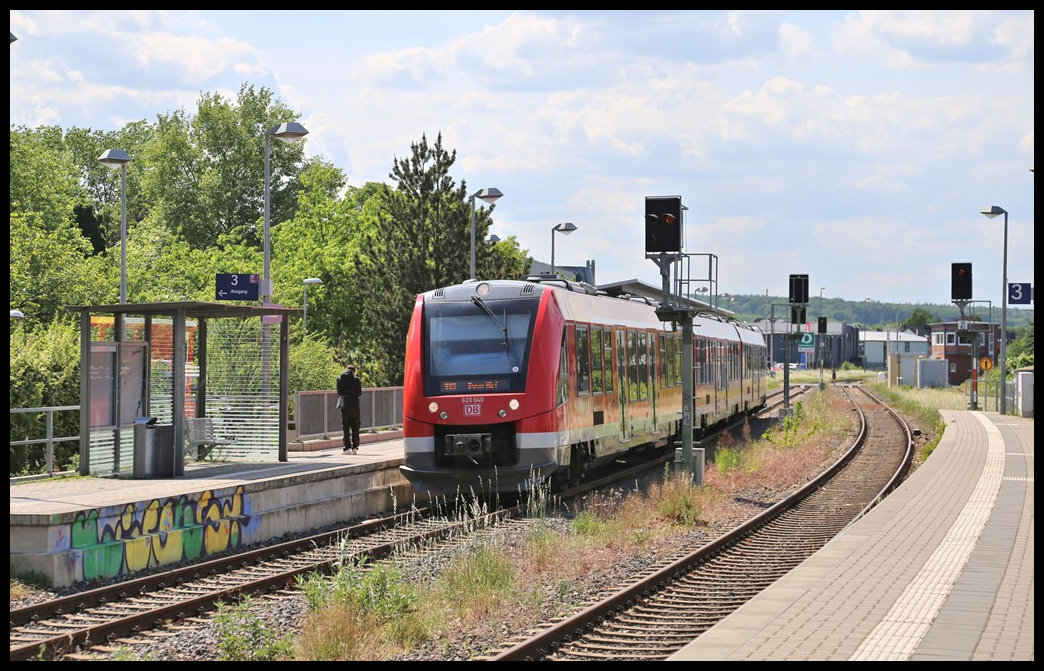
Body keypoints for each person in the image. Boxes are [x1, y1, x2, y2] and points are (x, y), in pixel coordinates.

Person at [337, 364, 362, 454]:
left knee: (345, 426)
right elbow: (359, 393)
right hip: (354, 405)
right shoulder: (356, 380)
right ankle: (355, 447)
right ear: (354, 371)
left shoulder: (339, 379)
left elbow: (339, 392)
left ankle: (346, 448)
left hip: (344, 405)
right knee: (355, 426)